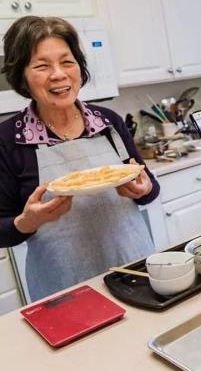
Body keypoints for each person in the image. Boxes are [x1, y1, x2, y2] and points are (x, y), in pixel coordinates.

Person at [0, 16, 160, 301]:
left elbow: (148, 188)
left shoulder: (108, 122)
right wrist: (27, 222)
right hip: (65, 291)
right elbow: (2, 230)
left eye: (67, 61)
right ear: (22, 75)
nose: (59, 74)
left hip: (136, 273)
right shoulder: (10, 140)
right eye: (42, 66)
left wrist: (144, 189)